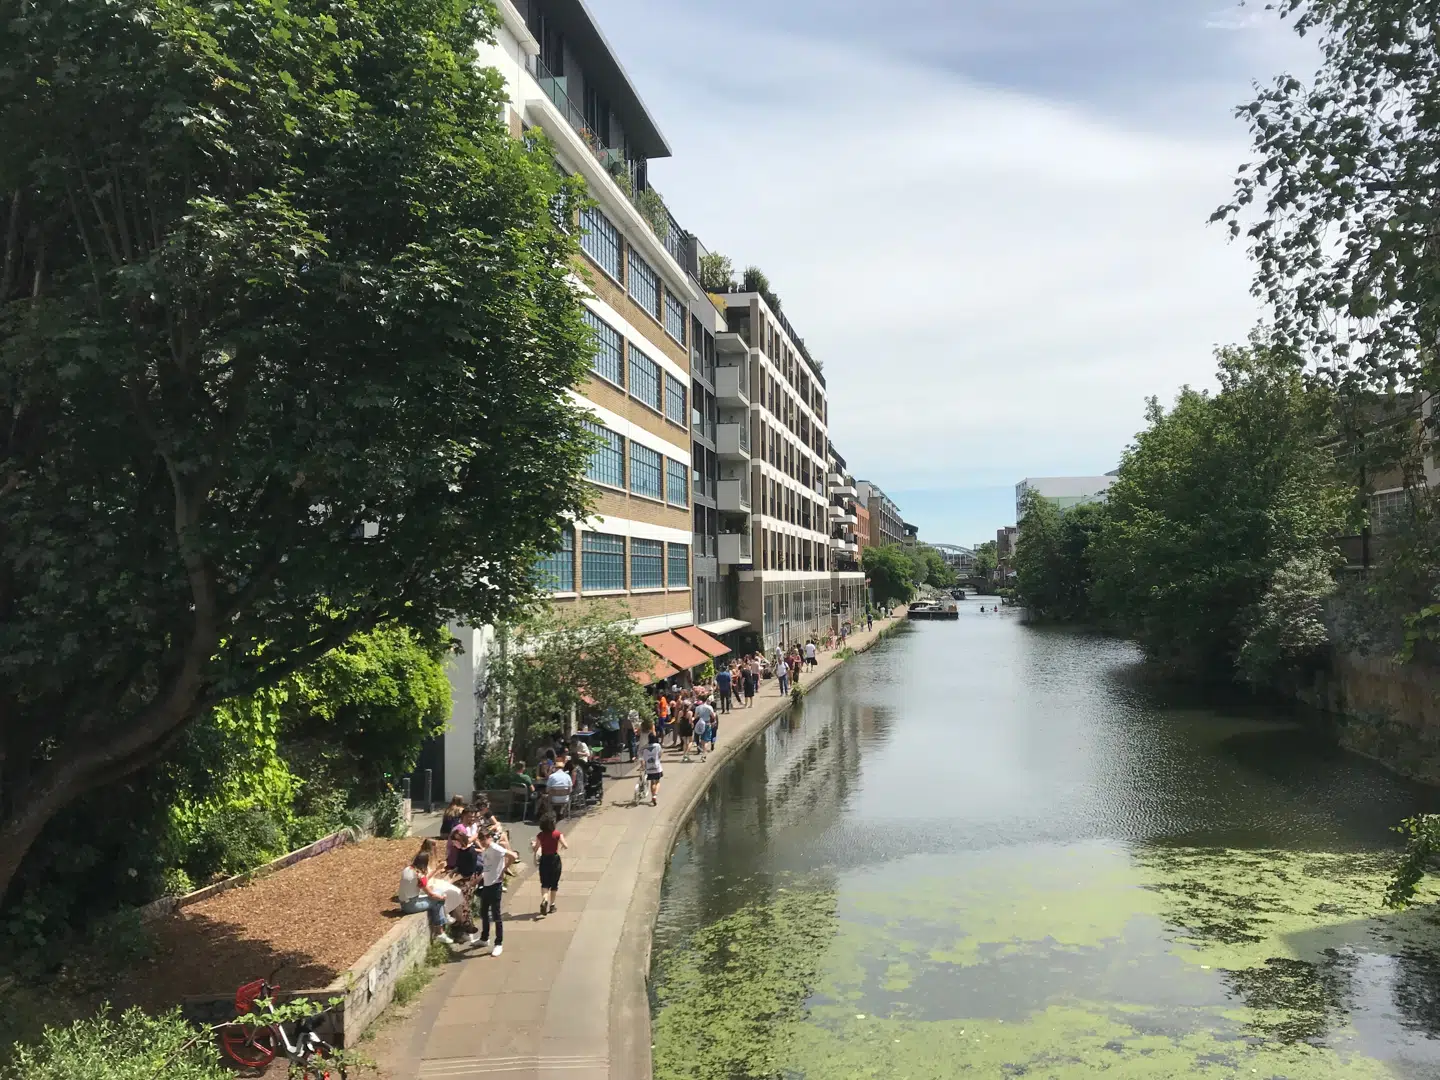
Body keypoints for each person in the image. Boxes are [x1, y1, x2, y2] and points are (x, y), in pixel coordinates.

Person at [398, 850, 462, 944]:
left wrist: (436, 870)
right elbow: (431, 894)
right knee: (437, 901)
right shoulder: (419, 875)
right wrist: (442, 898)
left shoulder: (407, 869)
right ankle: (440, 932)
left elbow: (423, 881)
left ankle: (444, 919)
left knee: (438, 894)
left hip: (404, 902)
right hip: (411, 905)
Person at [474, 830, 515, 955]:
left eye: (484, 839)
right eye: (480, 839)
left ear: (489, 838)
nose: (482, 842)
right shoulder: (486, 849)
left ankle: (498, 943)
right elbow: (487, 867)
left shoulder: (496, 848)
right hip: (486, 884)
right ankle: (484, 938)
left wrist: (504, 869)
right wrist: (478, 879)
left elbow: (513, 856)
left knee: (496, 915)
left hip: (495, 885)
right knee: (484, 912)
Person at [531, 813, 569, 917]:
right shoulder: (557, 834)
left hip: (544, 860)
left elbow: (535, 849)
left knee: (545, 883)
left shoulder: (540, 835)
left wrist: (534, 845)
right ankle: (552, 905)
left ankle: (544, 899)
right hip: (555, 860)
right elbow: (566, 845)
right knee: (554, 883)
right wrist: (561, 847)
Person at [640, 733, 664, 806]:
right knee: (658, 782)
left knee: (652, 782)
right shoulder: (657, 746)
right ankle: (655, 795)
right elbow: (660, 754)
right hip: (657, 767)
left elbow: (641, 755)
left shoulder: (645, 747)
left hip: (649, 768)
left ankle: (652, 796)